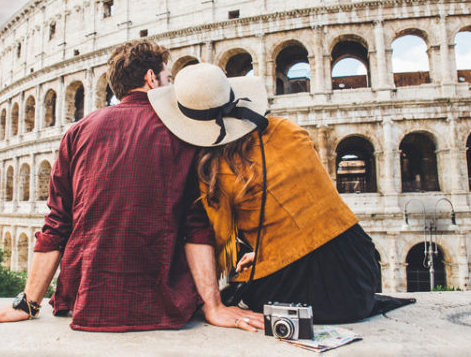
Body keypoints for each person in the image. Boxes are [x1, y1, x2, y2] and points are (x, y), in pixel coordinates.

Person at [0, 41, 263, 332]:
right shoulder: (182, 132)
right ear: (151, 79)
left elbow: (56, 224)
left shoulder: (76, 132)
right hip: (164, 304)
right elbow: (195, 227)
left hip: (85, 301)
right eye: (167, 77)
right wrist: (213, 306)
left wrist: (27, 303)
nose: (169, 83)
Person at [148, 63, 414, 323]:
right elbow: (303, 204)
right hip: (358, 271)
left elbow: (215, 239)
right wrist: (271, 249)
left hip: (300, 291)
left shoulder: (214, 171)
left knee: (238, 286)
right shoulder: (288, 129)